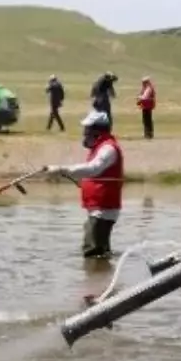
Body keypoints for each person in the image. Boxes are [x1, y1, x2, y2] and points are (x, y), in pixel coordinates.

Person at [44, 109, 123, 259]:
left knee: (93, 254)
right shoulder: (100, 147)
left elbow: (94, 168)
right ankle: (100, 280)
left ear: (97, 131)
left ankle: (97, 279)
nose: (84, 133)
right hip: (98, 209)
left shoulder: (108, 148)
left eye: (87, 129)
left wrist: (62, 169)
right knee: (99, 254)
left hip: (103, 210)